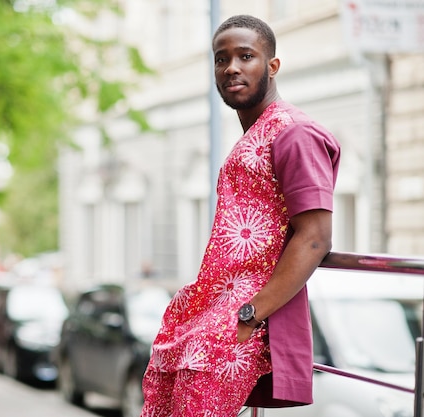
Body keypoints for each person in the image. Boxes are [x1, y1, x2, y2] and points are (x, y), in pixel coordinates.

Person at [140, 15, 341, 417]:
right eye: (221, 59)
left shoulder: (294, 133)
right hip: (207, 312)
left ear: (272, 66)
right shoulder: (254, 136)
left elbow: (316, 237)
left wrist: (248, 315)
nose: (231, 67)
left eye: (246, 56)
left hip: (241, 323)